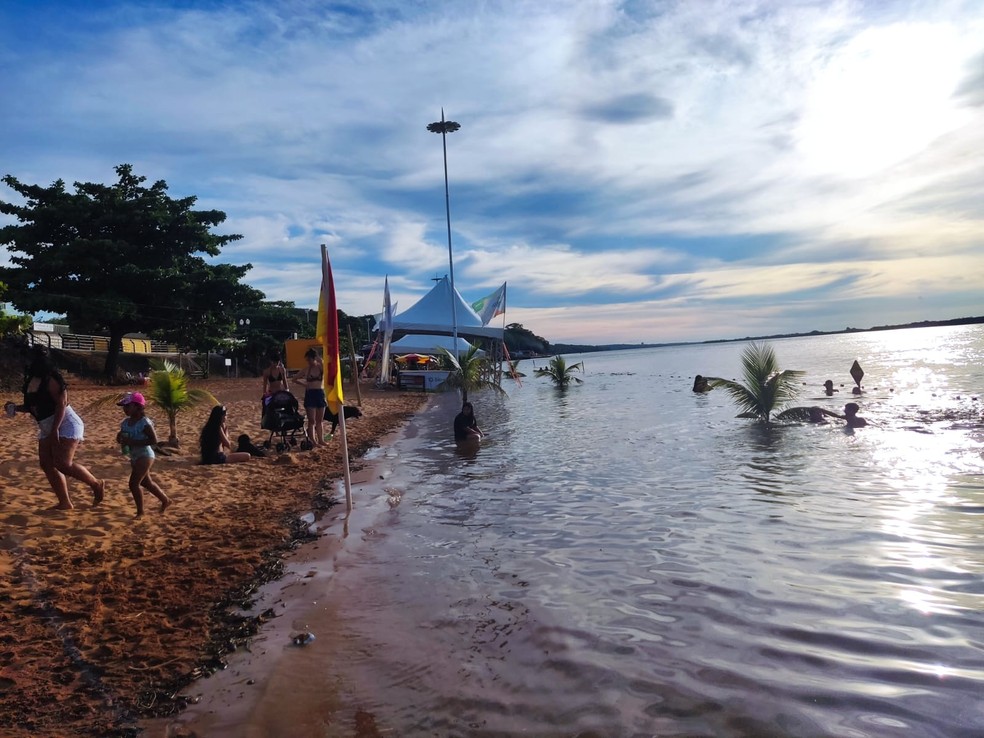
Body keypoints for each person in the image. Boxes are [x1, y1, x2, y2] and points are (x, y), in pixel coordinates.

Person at [18, 346, 104, 510]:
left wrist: (55, 429)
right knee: (46, 464)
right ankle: (65, 502)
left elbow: (61, 404)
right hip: (46, 425)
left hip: (64, 423)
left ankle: (96, 484)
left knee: (63, 463)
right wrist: (15, 408)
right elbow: (33, 405)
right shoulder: (32, 380)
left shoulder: (51, 378)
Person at [116, 392, 170, 516]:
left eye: (128, 406)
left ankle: (140, 512)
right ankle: (165, 500)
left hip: (145, 455)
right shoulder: (125, 422)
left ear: (137, 407)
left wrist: (132, 442)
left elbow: (153, 440)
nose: (125, 409)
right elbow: (121, 437)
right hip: (134, 456)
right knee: (146, 483)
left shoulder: (144, 422)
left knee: (133, 484)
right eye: (124, 407)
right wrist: (120, 438)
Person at [294, 347, 327, 447]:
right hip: (310, 394)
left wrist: (318, 358)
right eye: (307, 360)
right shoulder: (306, 369)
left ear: (314, 358)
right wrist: (304, 385)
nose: (308, 362)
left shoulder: (320, 367)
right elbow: (294, 379)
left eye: (309, 359)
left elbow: (325, 365)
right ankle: (313, 440)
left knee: (320, 420)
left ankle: (321, 440)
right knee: (312, 420)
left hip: (320, 393)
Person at [261, 350, 289, 417]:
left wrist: (287, 390)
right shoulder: (266, 372)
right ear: (271, 361)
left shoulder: (282, 370)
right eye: (274, 362)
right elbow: (265, 384)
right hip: (272, 393)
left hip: (281, 392)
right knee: (266, 407)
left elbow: (285, 381)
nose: (276, 364)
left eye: (277, 362)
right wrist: (264, 393)